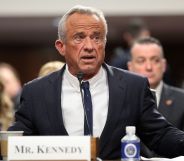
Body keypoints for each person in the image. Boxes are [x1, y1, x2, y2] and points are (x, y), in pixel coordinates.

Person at [8, 5, 184, 160]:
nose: (90, 46)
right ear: (61, 46)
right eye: (79, 37)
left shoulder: (133, 87)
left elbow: (160, 135)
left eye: (96, 37)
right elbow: (15, 144)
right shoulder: (36, 92)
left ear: (104, 43)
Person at [128, 36, 184, 157]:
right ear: (130, 67)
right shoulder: (120, 100)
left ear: (163, 65)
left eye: (155, 60)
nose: (149, 67)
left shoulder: (182, 100)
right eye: (141, 60)